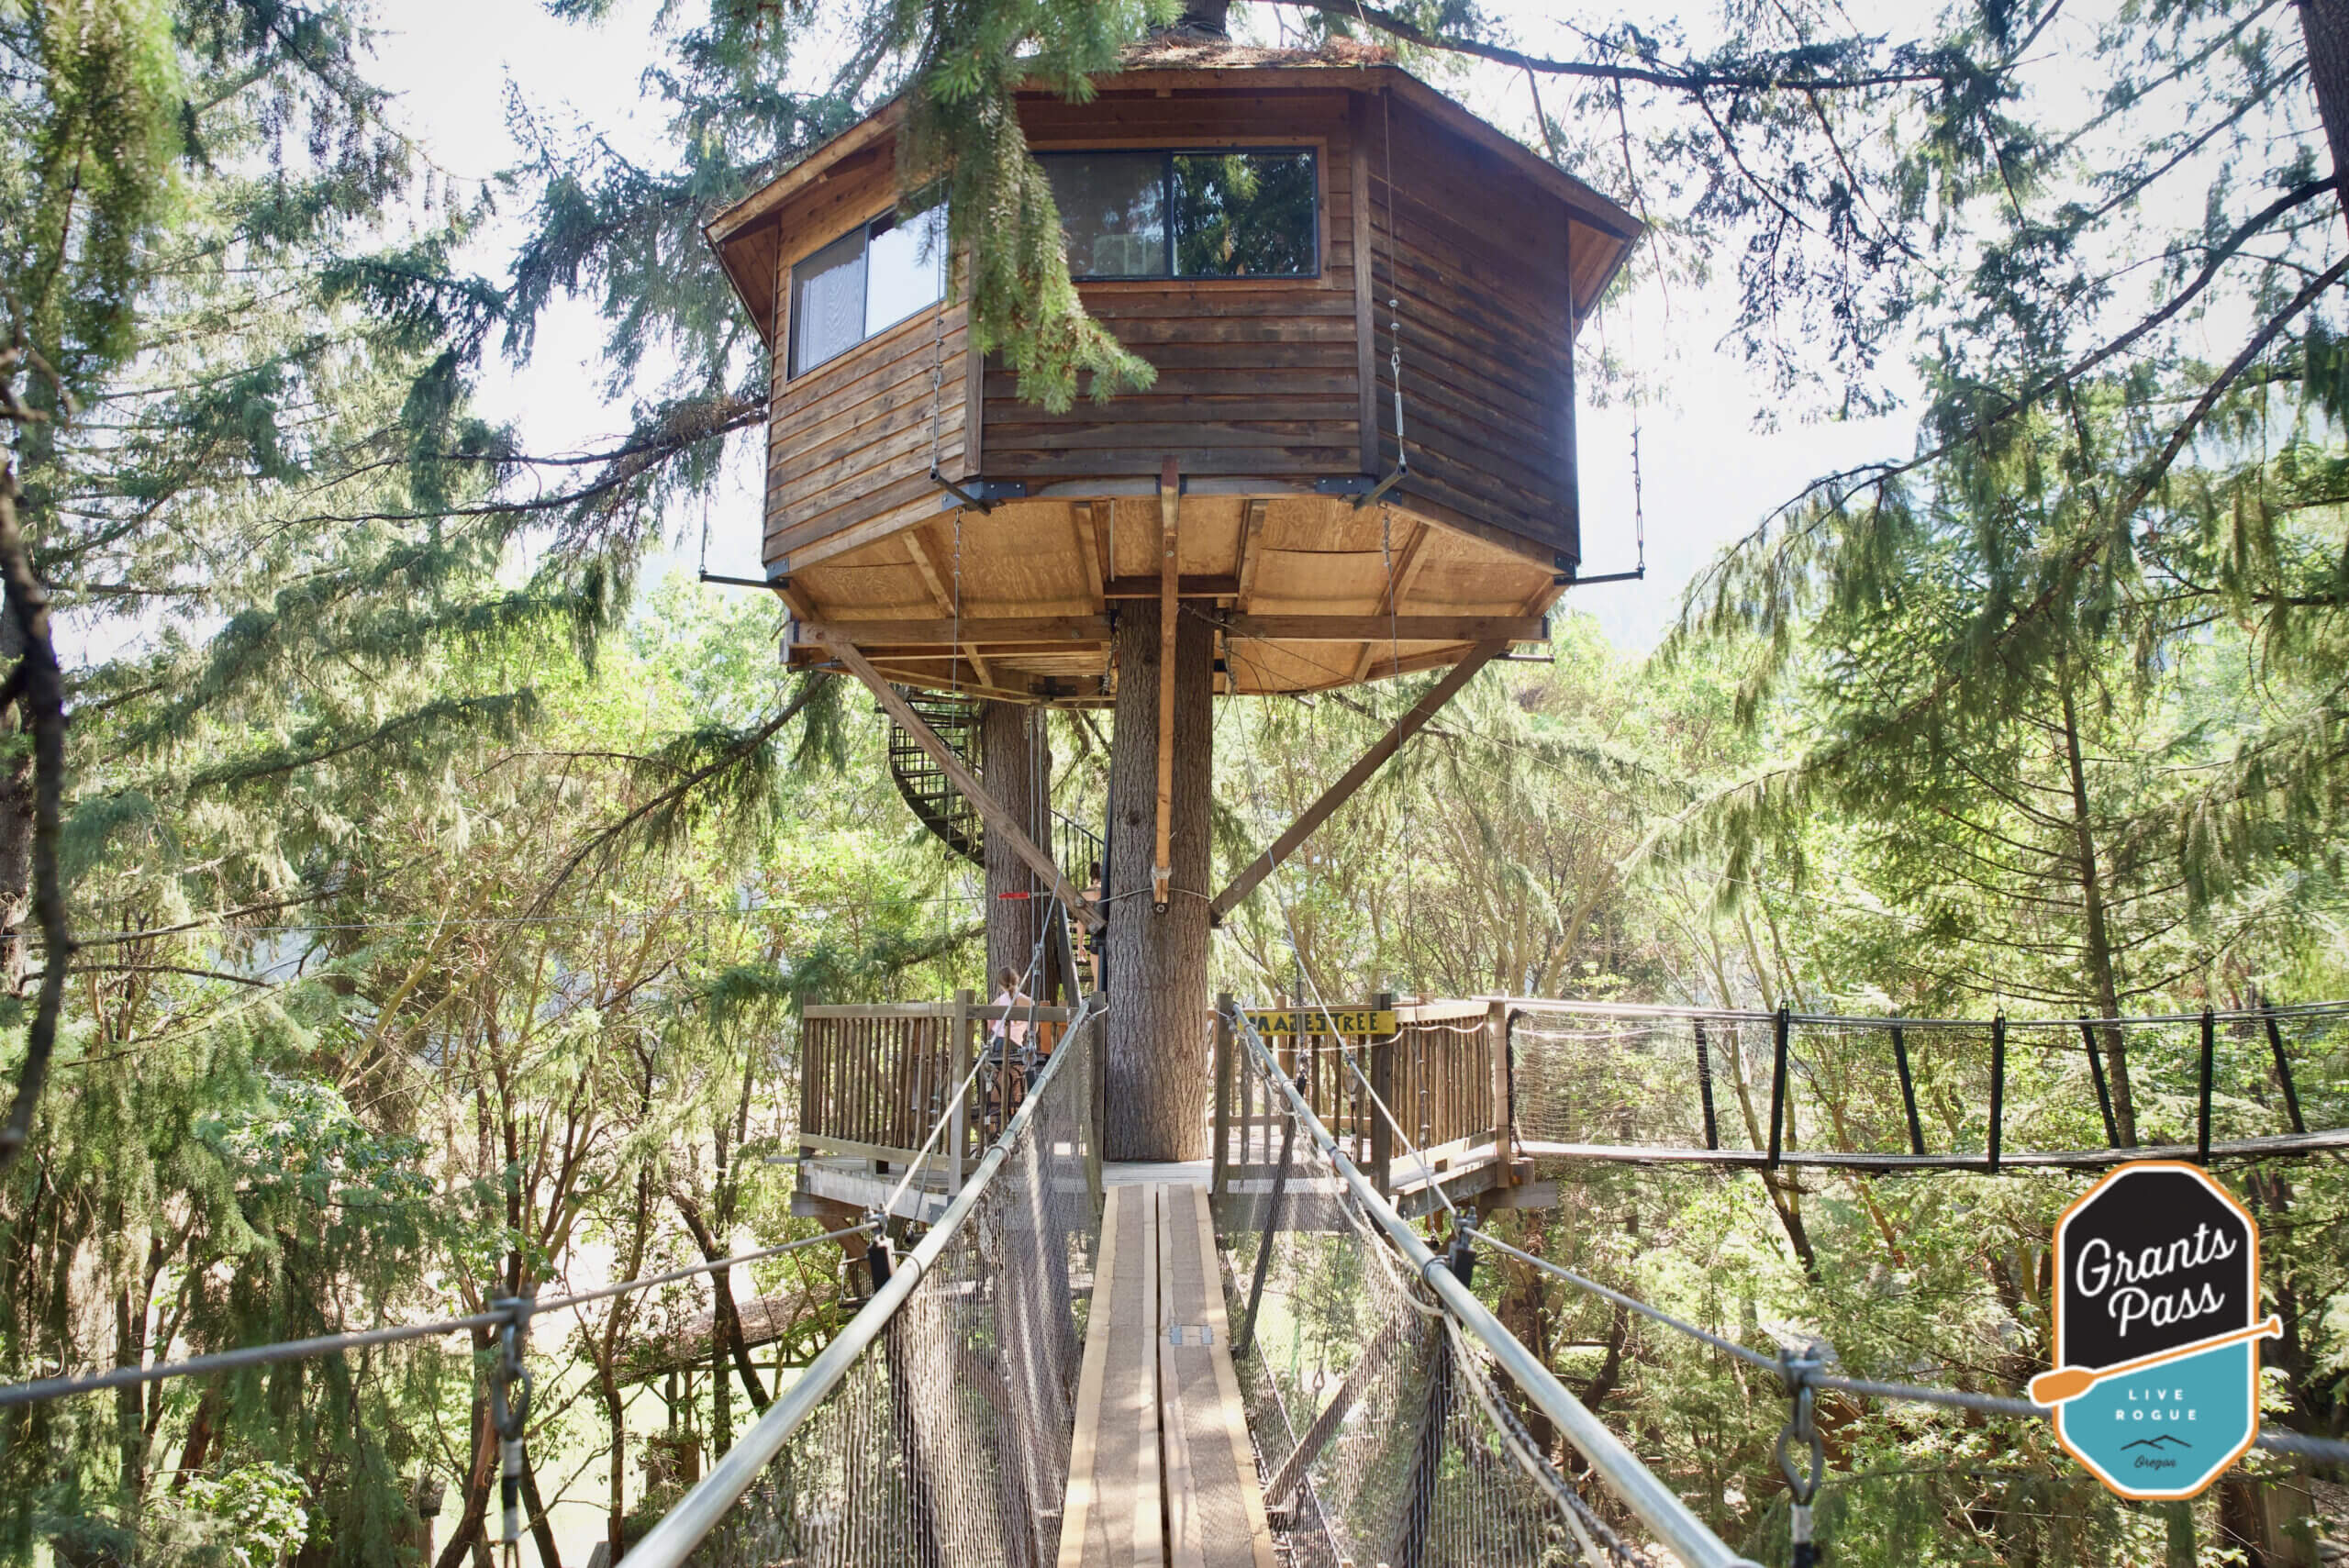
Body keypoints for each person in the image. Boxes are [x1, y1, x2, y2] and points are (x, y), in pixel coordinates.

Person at [989, 965, 1032, 1051]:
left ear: (1001, 986)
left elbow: (989, 1025)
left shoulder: (997, 1002)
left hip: (996, 1042)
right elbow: (1033, 1028)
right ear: (1017, 979)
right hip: (1015, 1044)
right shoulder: (1029, 1002)